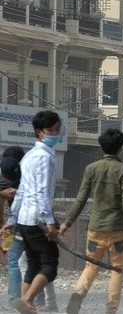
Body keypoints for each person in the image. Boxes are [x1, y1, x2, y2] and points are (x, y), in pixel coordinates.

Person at [60, 128, 123, 314]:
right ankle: (110, 309)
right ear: (120, 147)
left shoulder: (91, 169)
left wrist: (67, 223)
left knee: (91, 267)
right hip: (117, 230)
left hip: (95, 228)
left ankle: (77, 296)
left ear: (102, 147)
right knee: (116, 270)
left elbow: (81, 199)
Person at [0, 110, 62, 314]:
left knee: (33, 264)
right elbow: (42, 192)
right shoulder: (45, 157)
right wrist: (50, 222)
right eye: (50, 130)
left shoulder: (27, 157)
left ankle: (24, 306)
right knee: (50, 265)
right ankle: (27, 299)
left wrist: (13, 218)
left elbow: (21, 191)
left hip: (25, 220)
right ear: (39, 132)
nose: (55, 133)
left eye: (57, 129)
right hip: (38, 219)